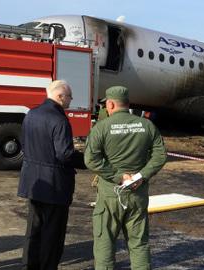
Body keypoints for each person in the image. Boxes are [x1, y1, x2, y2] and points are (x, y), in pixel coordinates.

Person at [84, 86, 167, 270]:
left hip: (110, 196)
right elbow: (160, 155)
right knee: (139, 243)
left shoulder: (101, 128)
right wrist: (141, 176)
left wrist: (118, 177)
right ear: (128, 103)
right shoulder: (146, 125)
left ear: (110, 104)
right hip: (137, 194)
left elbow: (91, 159)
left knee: (105, 243)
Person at [18, 80, 77, 270]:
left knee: (33, 230)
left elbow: (25, 144)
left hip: (34, 182)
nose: (71, 99)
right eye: (69, 96)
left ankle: (29, 265)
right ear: (60, 96)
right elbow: (64, 154)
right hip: (55, 186)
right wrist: (83, 159)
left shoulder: (31, 114)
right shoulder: (59, 120)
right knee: (53, 234)